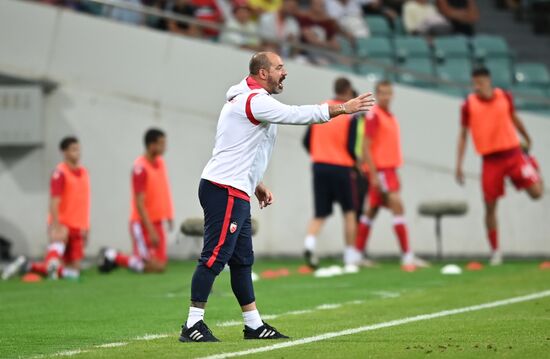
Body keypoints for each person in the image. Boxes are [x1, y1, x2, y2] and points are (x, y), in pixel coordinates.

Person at [178, 52, 374, 342]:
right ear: (262, 73)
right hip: (225, 188)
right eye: (279, 68)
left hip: (235, 186)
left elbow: (237, 146)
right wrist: (342, 108)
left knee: (243, 261)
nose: (285, 72)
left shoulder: (245, 98)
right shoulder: (255, 101)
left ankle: (254, 325)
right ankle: (193, 324)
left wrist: (256, 183)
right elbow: (296, 114)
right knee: (214, 257)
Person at [455, 67, 543, 265]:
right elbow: (463, 135)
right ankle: (495, 251)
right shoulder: (468, 105)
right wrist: (458, 164)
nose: (478, 86)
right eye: (475, 83)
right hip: (490, 159)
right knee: (489, 205)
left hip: (513, 153)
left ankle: (532, 164)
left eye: (481, 82)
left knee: (537, 193)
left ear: (489, 81)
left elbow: (514, 117)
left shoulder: (504, 97)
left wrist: (527, 136)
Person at [354, 81, 428, 269]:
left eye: (389, 93)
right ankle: (407, 256)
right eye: (383, 93)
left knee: (371, 210)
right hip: (381, 171)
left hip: (389, 170)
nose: (386, 96)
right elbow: (365, 147)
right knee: (397, 206)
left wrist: (393, 171)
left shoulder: (389, 116)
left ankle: (355, 255)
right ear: (378, 95)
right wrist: (374, 174)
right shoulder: (374, 116)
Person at [2, 137, 90, 280]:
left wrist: (86, 226)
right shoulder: (59, 173)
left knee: (74, 271)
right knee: (55, 266)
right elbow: (54, 202)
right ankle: (32, 266)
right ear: (64, 152)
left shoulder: (84, 172)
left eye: (78, 149)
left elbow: (84, 202)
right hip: (63, 225)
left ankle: (28, 265)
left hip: (78, 226)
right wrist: (56, 226)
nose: (78, 153)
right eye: (73, 149)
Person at [302, 77, 363, 270]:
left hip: (319, 166)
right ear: (347, 91)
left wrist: (320, 153)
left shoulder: (321, 108)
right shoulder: (349, 113)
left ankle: (309, 244)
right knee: (349, 212)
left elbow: (306, 141)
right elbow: (352, 146)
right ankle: (350, 257)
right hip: (342, 168)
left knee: (320, 212)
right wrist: (356, 164)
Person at [98, 129, 174, 274]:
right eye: (161, 144)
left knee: (161, 265)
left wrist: (169, 215)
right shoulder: (140, 168)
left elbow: (163, 190)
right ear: (151, 145)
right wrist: (150, 229)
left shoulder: (160, 163)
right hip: (142, 223)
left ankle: (114, 257)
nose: (165, 147)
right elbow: (139, 203)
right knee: (152, 267)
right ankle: (113, 255)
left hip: (158, 221)